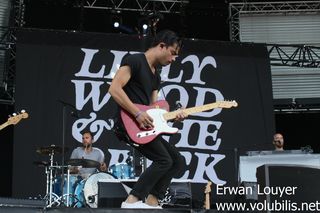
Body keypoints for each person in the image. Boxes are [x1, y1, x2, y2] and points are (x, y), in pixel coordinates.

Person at [108, 29, 187, 209]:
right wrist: (137, 113)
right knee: (164, 160)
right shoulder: (135, 61)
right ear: (161, 46)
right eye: (173, 53)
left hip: (144, 125)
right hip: (128, 122)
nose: (174, 59)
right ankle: (132, 201)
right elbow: (114, 89)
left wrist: (175, 117)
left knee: (177, 161)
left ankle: (152, 202)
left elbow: (154, 111)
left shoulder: (156, 76)